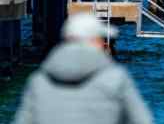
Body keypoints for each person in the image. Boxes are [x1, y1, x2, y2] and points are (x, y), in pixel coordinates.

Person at [13, 13, 154, 124]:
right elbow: (142, 120)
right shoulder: (115, 78)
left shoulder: (39, 81)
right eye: (99, 39)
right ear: (93, 41)